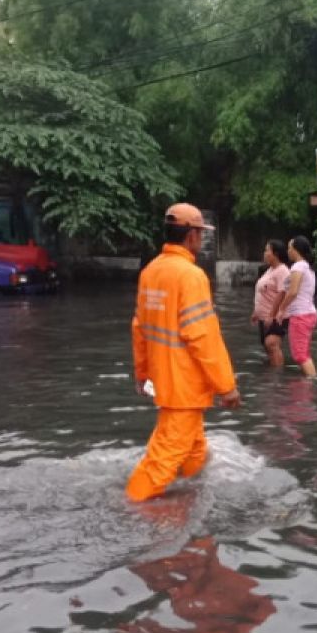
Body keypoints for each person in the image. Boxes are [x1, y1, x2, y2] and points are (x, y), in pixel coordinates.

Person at [127, 202, 241, 502]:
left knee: (194, 450)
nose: (201, 240)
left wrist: (142, 374)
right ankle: (131, 512)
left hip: (166, 381)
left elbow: (139, 328)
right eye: (200, 234)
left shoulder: (151, 271)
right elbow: (203, 336)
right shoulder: (190, 276)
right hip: (185, 386)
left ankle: (189, 499)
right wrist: (226, 386)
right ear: (191, 236)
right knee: (161, 461)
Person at [272, 235, 317, 378]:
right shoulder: (307, 267)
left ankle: (313, 382)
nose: (288, 251)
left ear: (296, 250)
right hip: (308, 314)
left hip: (301, 315)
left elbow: (293, 292)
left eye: (289, 248)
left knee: (300, 356)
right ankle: (310, 381)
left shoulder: (298, 266)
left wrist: (281, 309)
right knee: (302, 353)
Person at [251, 239, 290, 366]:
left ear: (276, 254)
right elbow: (263, 292)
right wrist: (256, 312)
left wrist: (272, 315)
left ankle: (278, 377)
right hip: (264, 316)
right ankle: (273, 374)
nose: (264, 253)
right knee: (267, 347)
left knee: (271, 344)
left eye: (267, 250)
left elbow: (282, 292)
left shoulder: (282, 270)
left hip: (276, 316)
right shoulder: (269, 270)